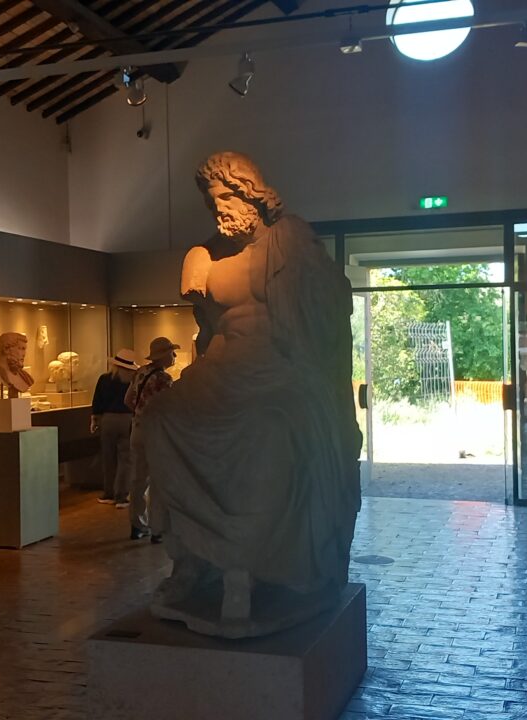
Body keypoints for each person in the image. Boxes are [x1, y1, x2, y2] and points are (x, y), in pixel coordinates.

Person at [143, 152, 362, 635]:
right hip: (219, 372)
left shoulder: (290, 241)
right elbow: (207, 331)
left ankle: (248, 565)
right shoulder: (206, 255)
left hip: (283, 373)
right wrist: (196, 266)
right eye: (211, 201)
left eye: (226, 196)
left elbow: (329, 311)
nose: (218, 208)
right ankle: (192, 560)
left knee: (268, 430)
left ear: (252, 193)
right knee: (160, 418)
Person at [124, 337, 178, 541]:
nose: (174, 356)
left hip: (137, 429)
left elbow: (128, 400)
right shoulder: (164, 379)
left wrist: (140, 414)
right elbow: (169, 407)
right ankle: (157, 527)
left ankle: (137, 525)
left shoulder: (140, 372)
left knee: (138, 479)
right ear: (164, 355)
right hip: (156, 433)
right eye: (171, 352)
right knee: (158, 480)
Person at [90, 349, 138, 508]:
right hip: (127, 419)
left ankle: (108, 494)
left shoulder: (104, 379)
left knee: (108, 458)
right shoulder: (133, 381)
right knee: (125, 458)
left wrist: (95, 419)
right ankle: (122, 496)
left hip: (107, 419)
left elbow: (97, 401)